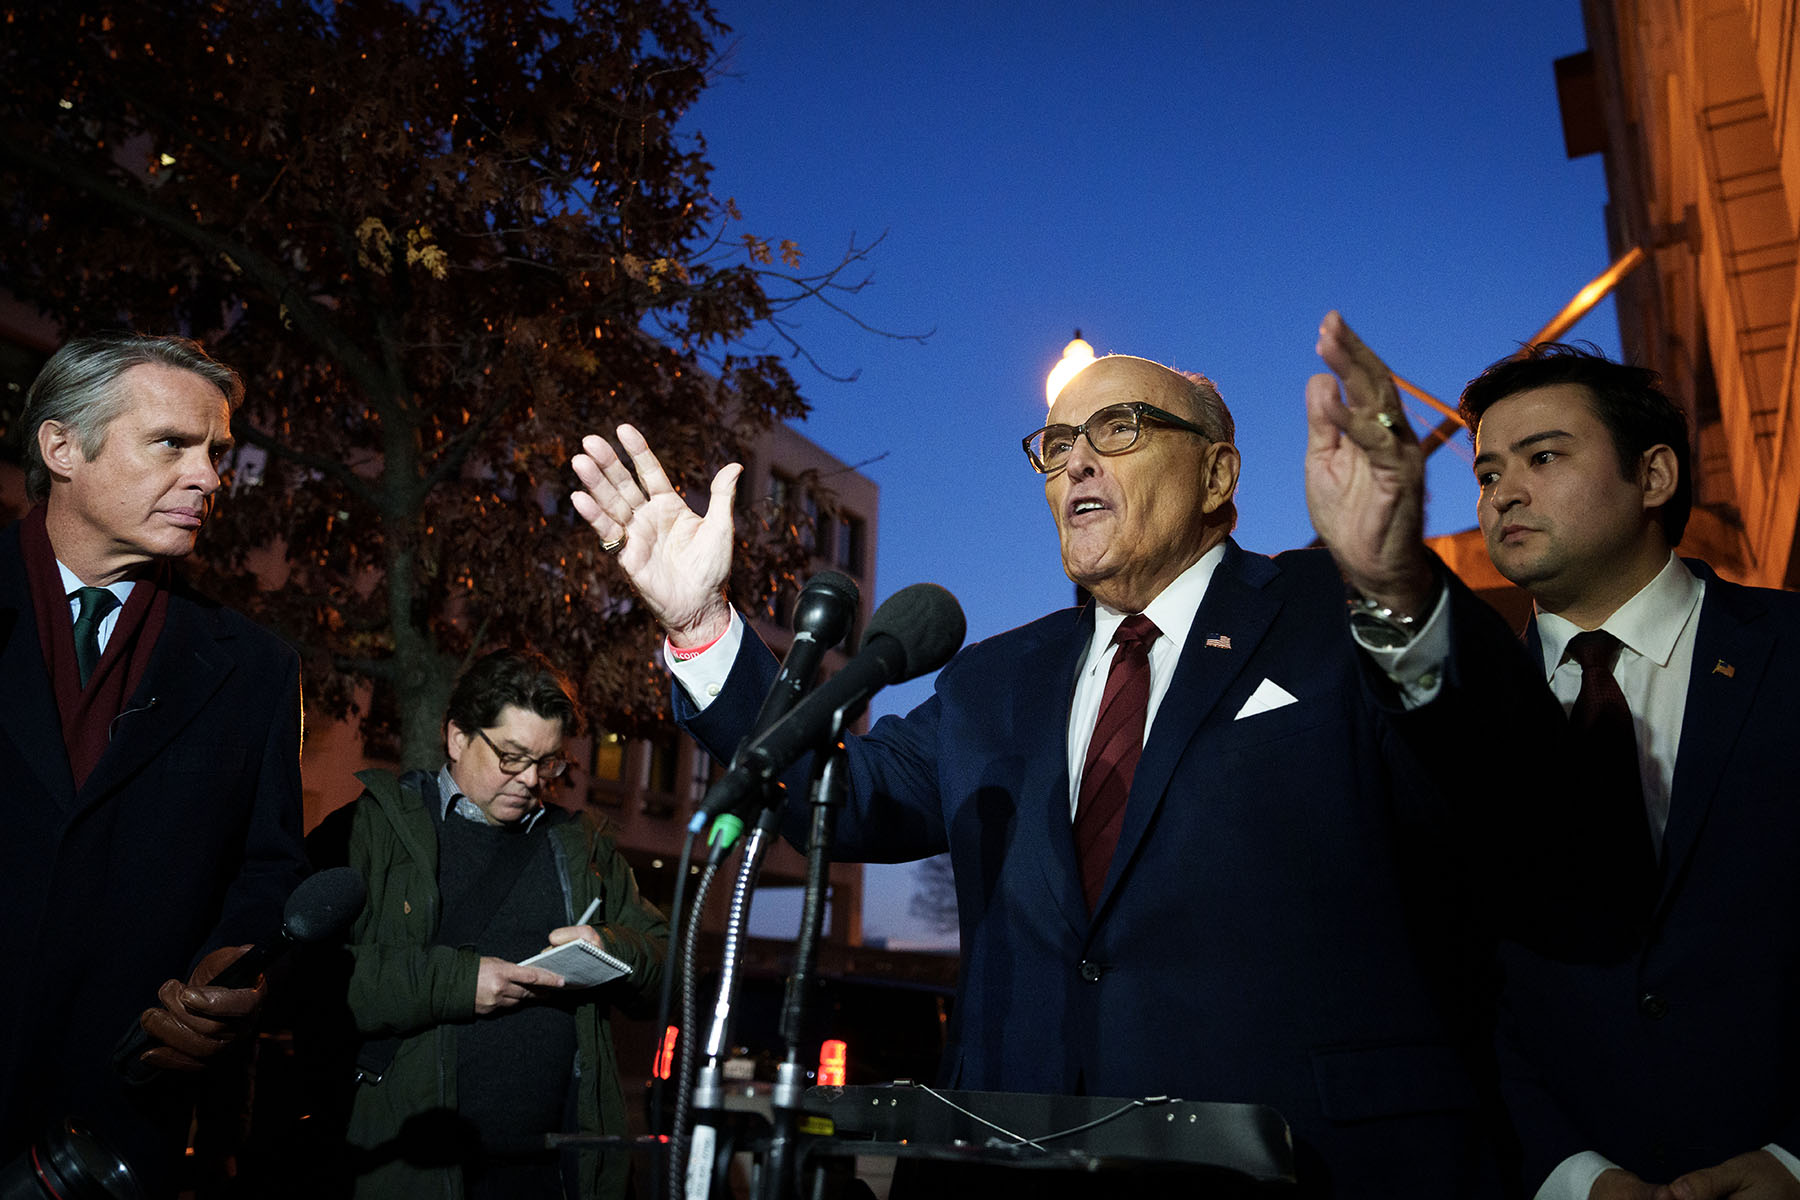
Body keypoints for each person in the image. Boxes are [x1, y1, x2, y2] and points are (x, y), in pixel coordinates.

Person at [568, 314, 1555, 1198]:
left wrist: (1394, 586)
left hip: (1304, 1157)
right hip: (1012, 1155)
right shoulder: (994, 681)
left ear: (1218, 474)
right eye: (1056, 446)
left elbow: (1511, 786)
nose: (1077, 463)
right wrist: (700, 626)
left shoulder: (1337, 611)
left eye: (1118, 431)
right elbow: (841, 794)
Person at [1461, 345, 1800, 1200]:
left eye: (1543, 457)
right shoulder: (1456, 724)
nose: (1503, 492)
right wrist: (1576, 1178)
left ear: (1652, 476)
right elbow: (1455, 985)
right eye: (1488, 471)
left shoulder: (1790, 653)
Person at [0, 333, 308, 1195]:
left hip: (113, 1131)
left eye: (216, 453)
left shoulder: (253, 666)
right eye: (171, 444)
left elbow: (269, 868)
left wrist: (240, 974)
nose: (210, 478)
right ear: (61, 448)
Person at [326, 648, 668, 1200]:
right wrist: (458, 984)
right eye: (512, 756)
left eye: (549, 761)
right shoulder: (370, 829)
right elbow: (317, 980)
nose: (532, 779)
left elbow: (668, 963)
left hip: (554, 1174)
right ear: (457, 736)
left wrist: (610, 946)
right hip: (415, 1172)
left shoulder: (579, 848)